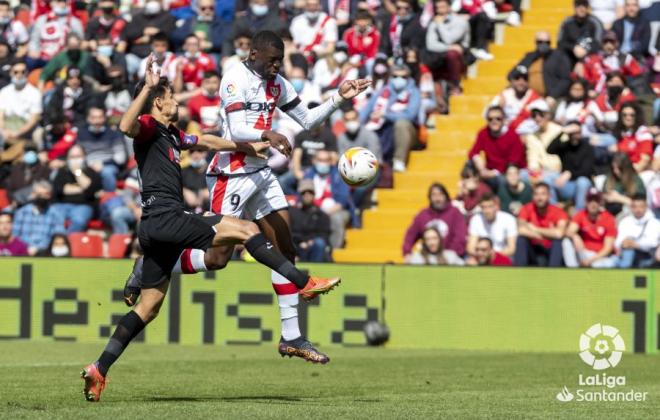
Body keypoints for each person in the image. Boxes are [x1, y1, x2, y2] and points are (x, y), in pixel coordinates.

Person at [82, 59, 343, 402]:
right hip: (166, 216)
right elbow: (125, 125)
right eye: (171, 95)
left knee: (148, 308)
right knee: (246, 229)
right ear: (158, 102)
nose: (177, 100)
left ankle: (99, 368)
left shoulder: (171, 133)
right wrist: (147, 87)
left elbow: (205, 140)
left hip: (154, 227)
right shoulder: (147, 126)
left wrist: (246, 147)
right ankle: (302, 281)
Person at [125, 32, 368, 362]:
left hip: (262, 173)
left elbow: (308, 120)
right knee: (216, 259)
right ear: (253, 54)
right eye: (271, 60)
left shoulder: (278, 83)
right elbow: (237, 130)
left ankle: (292, 337)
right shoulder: (234, 76)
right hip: (232, 173)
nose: (276, 66)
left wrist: (338, 99)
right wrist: (268, 132)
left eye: (279, 61)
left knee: (286, 247)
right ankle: (148, 266)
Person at [359, 62, 421, 172]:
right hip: (384, 128)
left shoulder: (414, 92)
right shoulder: (384, 90)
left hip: (408, 132)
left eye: (403, 77)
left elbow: (410, 115)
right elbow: (368, 108)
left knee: (401, 123)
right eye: (395, 76)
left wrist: (386, 115)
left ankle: (399, 161)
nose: (399, 79)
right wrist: (358, 122)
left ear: (408, 78)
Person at [468, 105, 526, 190]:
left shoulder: (513, 135)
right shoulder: (483, 133)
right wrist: (478, 162)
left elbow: (513, 161)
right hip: (489, 170)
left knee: (502, 180)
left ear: (504, 120)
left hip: (510, 171)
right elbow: (473, 152)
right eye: (490, 119)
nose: (494, 121)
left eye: (498, 119)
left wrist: (493, 173)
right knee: (469, 164)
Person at [403, 183, 467, 259]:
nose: (437, 198)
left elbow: (460, 237)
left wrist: (448, 256)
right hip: (428, 258)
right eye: (434, 195)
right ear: (430, 197)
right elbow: (410, 235)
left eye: (440, 194)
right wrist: (407, 252)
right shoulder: (423, 215)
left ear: (446, 196)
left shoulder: (455, 213)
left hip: (450, 258)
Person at [514, 182, 568, 267]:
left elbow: (559, 234)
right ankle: (519, 271)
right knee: (521, 239)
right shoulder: (526, 208)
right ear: (532, 196)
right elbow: (521, 230)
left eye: (543, 194)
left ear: (549, 196)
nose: (539, 198)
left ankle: (554, 274)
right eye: (536, 194)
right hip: (532, 249)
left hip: (550, 249)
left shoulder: (558, 212)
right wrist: (548, 234)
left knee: (557, 242)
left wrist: (535, 229)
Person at [51, 145, 103, 233]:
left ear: (84, 157)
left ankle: (68, 242)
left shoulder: (91, 172)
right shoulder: (62, 171)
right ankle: (59, 240)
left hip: (83, 206)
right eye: (72, 157)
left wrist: (77, 172)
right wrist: (82, 187)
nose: (75, 159)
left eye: (78, 156)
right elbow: (59, 189)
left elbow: (91, 190)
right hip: (61, 205)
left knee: (79, 221)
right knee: (54, 219)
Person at [546, 121, 595, 210]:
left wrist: (570, 174)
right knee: (547, 179)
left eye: (578, 133)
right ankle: (553, 210)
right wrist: (562, 131)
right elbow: (549, 150)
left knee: (582, 181)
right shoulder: (565, 146)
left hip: (579, 186)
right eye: (572, 133)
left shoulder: (587, 146)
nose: (575, 136)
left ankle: (578, 214)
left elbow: (587, 171)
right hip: (566, 185)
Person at [424, 0, 470, 95]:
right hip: (439, 56)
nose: (440, 11)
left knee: (452, 54)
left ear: (449, 7)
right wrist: (449, 47)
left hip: (461, 59)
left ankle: (455, 86)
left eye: (443, 7)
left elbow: (449, 39)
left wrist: (440, 25)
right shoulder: (434, 22)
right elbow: (430, 45)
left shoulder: (460, 22)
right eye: (438, 8)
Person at [0, 60, 42, 165]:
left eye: (22, 72)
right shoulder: (4, 92)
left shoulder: (34, 93)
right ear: (11, 73)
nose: (19, 75)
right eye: (16, 72)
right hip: (7, 129)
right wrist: (4, 130)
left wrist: (18, 133)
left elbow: (34, 118)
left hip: (26, 131)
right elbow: (1, 114)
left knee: (38, 134)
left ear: (27, 73)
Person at [562, 188, 618, 268]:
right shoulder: (581, 214)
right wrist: (575, 236)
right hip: (585, 252)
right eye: (590, 200)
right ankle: (572, 270)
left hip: (601, 256)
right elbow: (568, 231)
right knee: (566, 241)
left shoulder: (608, 218)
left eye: (596, 200)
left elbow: (608, 248)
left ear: (600, 202)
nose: (593, 204)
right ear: (586, 202)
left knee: (598, 265)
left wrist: (591, 260)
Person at [77, 107, 127, 192]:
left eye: (100, 117)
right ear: (88, 119)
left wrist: (103, 164)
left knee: (107, 172)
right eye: (93, 118)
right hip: (88, 165)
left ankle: (110, 198)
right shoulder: (81, 135)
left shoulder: (114, 134)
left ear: (104, 118)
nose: (97, 121)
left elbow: (121, 157)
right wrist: (88, 164)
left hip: (108, 165)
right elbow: (77, 153)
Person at [122, 0, 176, 79]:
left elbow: (171, 35)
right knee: (127, 61)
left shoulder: (168, 17)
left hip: (159, 58)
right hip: (137, 56)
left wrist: (155, 34)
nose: (152, 2)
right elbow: (129, 34)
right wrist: (143, 31)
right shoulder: (137, 17)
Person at [511, 31, 572, 100]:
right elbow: (512, 74)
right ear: (536, 42)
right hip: (530, 98)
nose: (543, 45)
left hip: (552, 98)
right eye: (540, 42)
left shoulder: (559, 56)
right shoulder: (530, 57)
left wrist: (553, 96)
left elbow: (565, 79)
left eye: (547, 42)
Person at [12, 180, 66, 255]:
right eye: (39, 195)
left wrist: (40, 249)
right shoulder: (22, 213)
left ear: (50, 195)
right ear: (33, 194)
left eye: (46, 194)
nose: (42, 197)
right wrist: (26, 248)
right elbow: (15, 236)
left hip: (46, 253)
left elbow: (59, 236)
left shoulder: (56, 213)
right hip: (23, 251)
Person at [27, 0, 84, 69]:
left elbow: (81, 41)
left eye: (64, 2)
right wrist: (34, 50)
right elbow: (34, 40)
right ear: (51, 3)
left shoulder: (74, 21)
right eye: (58, 1)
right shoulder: (42, 20)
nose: (62, 4)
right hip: (44, 58)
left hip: (65, 58)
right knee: (30, 61)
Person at [490, 66, 541, 135]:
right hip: (506, 136)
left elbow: (541, 122)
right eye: (517, 78)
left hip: (529, 136)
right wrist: (498, 108)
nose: (521, 82)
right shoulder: (504, 96)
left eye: (525, 79)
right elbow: (487, 115)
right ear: (512, 81)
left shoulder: (535, 98)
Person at [289, 179, 331, 262]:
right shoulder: (292, 212)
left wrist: (309, 242)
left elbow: (324, 234)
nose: (307, 195)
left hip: (313, 246)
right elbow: (289, 233)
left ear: (314, 194)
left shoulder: (321, 215)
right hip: (296, 247)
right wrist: (300, 243)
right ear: (300, 195)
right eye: (304, 192)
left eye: (310, 192)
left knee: (319, 243)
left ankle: (316, 271)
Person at [615, 194, 660, 268]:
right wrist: (624, 242)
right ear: (631, 207)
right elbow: (618, 241)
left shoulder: (654, 223)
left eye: (641, 206)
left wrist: (635, 244)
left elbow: (653, 243)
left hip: (648, 257)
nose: (638, 210)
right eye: (635, 207)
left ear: (646, 207)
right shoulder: (625, 221)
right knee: (628, 253)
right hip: (628, 255)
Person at [466, 193, 517, 258]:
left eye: (490, 206)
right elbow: (470, 248)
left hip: (502, 256)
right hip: (480, 257)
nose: (487, 211)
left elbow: (511, 249)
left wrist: (492, 256)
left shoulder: (508, 219)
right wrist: (482, 255)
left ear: (496, 206)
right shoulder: (476, 219)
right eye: (483, 207)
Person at [523, 99, 563, 182]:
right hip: (540, 172)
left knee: (546, 180)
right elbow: (532, 158)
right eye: (534, 115)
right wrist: (534, 171)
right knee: (521, 175)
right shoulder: (531, 136)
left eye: (540, 114)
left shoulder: (559, 131)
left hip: (557, 172)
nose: (537, 118)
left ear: (547, 115)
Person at [613, 102, 653, 174]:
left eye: (632, 115)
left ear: (637, 116)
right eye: (624, 115)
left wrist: (630, 174)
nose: (628, 118)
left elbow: (644, 161)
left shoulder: (642, 132)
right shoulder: (621, 133)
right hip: (621, 170)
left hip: (638, 172)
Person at [182, 147, 210, 212]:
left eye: (199, 150)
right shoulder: (182, 172)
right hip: (189, 213)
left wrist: (210, 192)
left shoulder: (214, 171)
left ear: (206, 153)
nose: (195, 154)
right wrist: (184, 191)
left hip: (210, 213)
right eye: (192, 151)